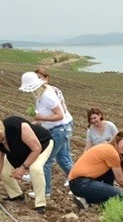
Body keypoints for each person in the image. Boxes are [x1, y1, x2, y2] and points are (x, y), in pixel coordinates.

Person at [0, 117, 54, 214]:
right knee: (4, 171)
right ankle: (16, 195)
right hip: (19, 151)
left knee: (35, 168)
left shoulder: (16, 126)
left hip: (41, 145)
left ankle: (40, 204)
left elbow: (36, 148)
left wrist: (23, 167)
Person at [19, 71, 74, 199]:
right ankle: (79, 184)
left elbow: (60, 115)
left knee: (46, 161)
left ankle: (46, 192)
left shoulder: (47, 95)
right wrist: (36, 121)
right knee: (63, 160)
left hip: (59, 130)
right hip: (60, 129)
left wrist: (41, 117)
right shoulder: (42, 93)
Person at [69, 129, 123, 209]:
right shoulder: (112, 153)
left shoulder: (108, 147)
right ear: (118, 139)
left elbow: (111, 176)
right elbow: (120, 180)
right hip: (80, 183)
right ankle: (86, 199)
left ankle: (90, 201)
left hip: (79, 182)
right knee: (119, 195)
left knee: (111, 173)